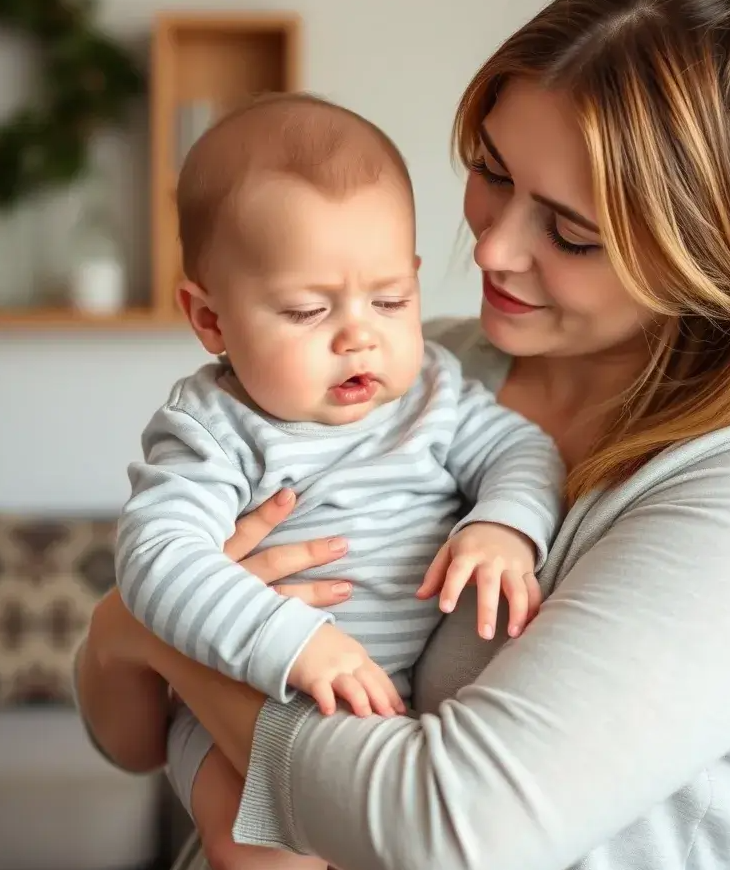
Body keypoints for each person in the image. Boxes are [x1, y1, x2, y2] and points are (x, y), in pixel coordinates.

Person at [75, 0, 730, 868]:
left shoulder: (702, 492)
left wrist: (166, 640)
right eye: (489, 172)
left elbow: (451, 830)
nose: (490, 250)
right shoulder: (429, 363)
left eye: (570, 232)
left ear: (699, 251)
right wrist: (132, 627)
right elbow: (127, 734)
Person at [114, 92, 564, 870]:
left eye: (391, 300)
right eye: (306, 311)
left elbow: (523, 454)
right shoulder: (214, 426)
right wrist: (296, 645)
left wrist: (502, 527)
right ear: (212, 320)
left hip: (385, 720)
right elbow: (156, 555)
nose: (359, 333)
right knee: (262, 855)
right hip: (240, 698)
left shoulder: (434, 388)